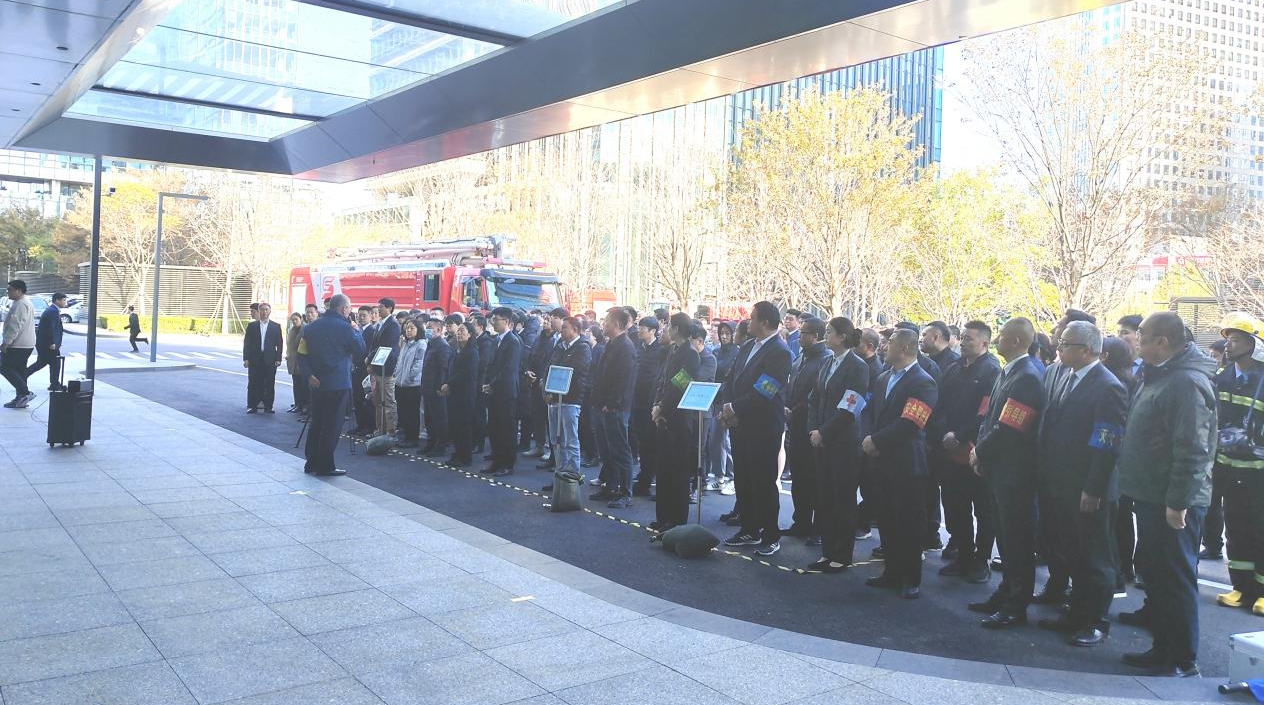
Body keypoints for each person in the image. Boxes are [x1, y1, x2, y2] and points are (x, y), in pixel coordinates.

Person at [1118, 312, 1216, 677]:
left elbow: (1193, 448)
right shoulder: (1162, 375)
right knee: (1158, 574)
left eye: (1142, 335)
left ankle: (1180, 657)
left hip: (1172, 501)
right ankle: (1163, 647)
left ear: (1162, 341)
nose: (1135, 341)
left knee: (1175, 578)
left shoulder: (1186, 382)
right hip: (1152, 493)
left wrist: (1178, 502)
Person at [1034, 321, 1128, 647]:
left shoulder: (1108, 386)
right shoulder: (1063, 374)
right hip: (1060, 483)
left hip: (1088, 487)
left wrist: (1093, 489)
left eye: (1065, 344)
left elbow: (1107, 443)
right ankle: (1075, 612)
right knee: (1071, 551)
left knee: (1095, 557)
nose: (1058, 348)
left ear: (1086, 350)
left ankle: (1095, 620)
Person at [969, 317, 1044, 629]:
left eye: (1001, 336)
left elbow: (1011, 427)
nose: (997, 340)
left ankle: (1016, 605)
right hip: (999, 467)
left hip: (1015, 472)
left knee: (1017, 540)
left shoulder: (1027, 377)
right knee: (1005, 534)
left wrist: (980, 451)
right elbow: (991, 418)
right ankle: (1005, 592)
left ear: (1015, 341)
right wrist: (981, 450)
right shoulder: (1009, 371)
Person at [862, 328, 937, 599]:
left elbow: (911, 423)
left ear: (905, 347)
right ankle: (891, 571)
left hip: (906, 463)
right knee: (886, 518)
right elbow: (869, 411)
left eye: (890, 342)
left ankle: (910, 577)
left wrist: (876, 441)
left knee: (909, 522)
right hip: (880, 460)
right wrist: (867, 437)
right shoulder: (883, 377)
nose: (884, 346)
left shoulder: (923, 382)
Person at [720, 301, 792, 556]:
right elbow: (731, 378)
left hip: (763, 427)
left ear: (765, 322)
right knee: (743, 478)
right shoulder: (749, 346)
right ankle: (749, 528)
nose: (748, 322)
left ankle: (770, 535)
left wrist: (734, 408)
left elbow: (765, 390)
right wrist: (728, 408)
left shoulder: (780, 352)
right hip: (740, 424)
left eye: (752, 318)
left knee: (763, 482)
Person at [932, 320, 1001, 584]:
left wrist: (960, 436)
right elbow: (938, 404)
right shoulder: (954, 368)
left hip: (975, 451)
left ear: (984, 343)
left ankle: (981, 561)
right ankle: (962, 554)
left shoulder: (991, 371)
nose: (962, 343)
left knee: (983, 510)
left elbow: (985, 414)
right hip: (949, 449)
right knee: (954, 506)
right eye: (961, 338)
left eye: (968, 339)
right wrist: (945, 433)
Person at [1209, 313, 1264, 616]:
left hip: (1259, 472)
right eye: (1228, 339)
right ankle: (1241, 588)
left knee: (1260, 529)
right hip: (1228, 466)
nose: (1228, 345)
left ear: (1255, 344)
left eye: (1236, 339)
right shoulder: (1222, 377)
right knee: (1236, 527)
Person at [805, 317, 870, 573]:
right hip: (821, 439)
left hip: (843, 442)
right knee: (825, 498)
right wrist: (813, 429)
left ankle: (842, 554)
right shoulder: (827, 362)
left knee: (843, 499)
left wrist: (824, 433)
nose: (826, 336)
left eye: (830, 332)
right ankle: (827, 551)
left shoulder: (857, 367)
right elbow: (814, 398)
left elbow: (849, 408)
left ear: (842, 336)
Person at [299, 294, 365, 476]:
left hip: (317, 382)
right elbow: (360, 350)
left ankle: (311, 462)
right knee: (332, 425)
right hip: (338, 382)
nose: (350, 311)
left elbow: (301, 354)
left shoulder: (311, 327)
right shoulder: (346, 328)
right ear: (343, 309)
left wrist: (309, 374)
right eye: (349, 307)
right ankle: (325, 465)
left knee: (317, 422)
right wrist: (356, 330)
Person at [651, 313, 702, 531]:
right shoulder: (672, 350)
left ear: (678, 328)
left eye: (669, 326)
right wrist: (657, 405)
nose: (666, 329)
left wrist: (662, 407)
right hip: (664, 415)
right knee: (663, 469)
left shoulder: (690, 354)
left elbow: (680, 385)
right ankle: (663, 516)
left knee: (678, 471)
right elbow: (663, 382)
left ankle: (676, 519)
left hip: (679, 419)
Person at [783, 317, 830, 542]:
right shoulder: (801, 357)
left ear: (816, 336)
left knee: (815, 479)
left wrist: (795, 411)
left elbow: (815, 395)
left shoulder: (825, 359)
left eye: (804, 333)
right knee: (799, 477)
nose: (800, 336)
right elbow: (791, 386)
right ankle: (801, 521)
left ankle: (819, 528)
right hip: (794, 426)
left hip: (812, 426)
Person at [1101, 335, 1140, 588]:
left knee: (1115, 521)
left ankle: (1118, 571)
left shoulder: (1113, 386)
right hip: (1124, 462)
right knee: (1122, 518)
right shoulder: (1130, 381)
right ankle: (1125, 567)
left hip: (1116, 462)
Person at [589, 307, 637, 507]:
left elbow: (623, 381)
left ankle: (625, 493)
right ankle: (610, 487)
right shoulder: (611, 344)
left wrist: (611, 404)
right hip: (602, 405)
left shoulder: (625, 347)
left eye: (607, 321)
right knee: (607, 450)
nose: (603, 324)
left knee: (620, 450)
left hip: (615, 409)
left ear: (616, 324)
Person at [920, 320, 960, 551]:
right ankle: (929, 532)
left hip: (945, 437)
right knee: (927, 487)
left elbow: (945, 404)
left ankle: (953, 539)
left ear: (936, 337)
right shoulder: (927, 362)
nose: (921, 339)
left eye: (925, 334)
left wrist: (940, 434)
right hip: (929, 434)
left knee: (950, 492)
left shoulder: (953, 364)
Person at [542, 316, 591, 480]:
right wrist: (546, 391)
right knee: (556, 441)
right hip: (553, 400)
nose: (561, 330)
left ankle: (571, 479)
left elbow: (577, 375)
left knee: (570, 441)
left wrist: (555, 391)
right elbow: (549, 367)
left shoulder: (582, 348)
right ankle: (559, 476)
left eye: (565, 327)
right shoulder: (559, 346)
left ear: (575, 330)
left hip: (570, 400)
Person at [482, 307, 522, 477]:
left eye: (496, 319)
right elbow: (491, 365)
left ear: (506, 321)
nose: (493, 322)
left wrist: (493, 384)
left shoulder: (513, 341)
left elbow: (508, 369)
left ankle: (507, 463)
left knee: (507, 429)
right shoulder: (495, 340)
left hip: (506, 392)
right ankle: (497, 461)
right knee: (494, 428)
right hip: (493, 391)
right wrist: (487, 383)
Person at [631, 316, 666, 496]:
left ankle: (647, 477)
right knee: (641, 441)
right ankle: (644, 473)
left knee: (650, 442)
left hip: (650, 402)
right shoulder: (639, 348)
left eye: (642, 328)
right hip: (636, 400)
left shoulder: (660, 350)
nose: (639, 331)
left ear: (652, 331)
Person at [706, 322, 739, 492]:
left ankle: (732, 478)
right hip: (714, 399)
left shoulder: (738, 352)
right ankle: (719, 477)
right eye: (722, 333)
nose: (724, 336)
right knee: (715, 440)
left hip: (727, 400)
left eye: (727, 333)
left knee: (726, 441)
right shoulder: (716, 351)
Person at [443, 322, 480, 466]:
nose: (459, 333)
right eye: (458, 330)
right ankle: (457, 453)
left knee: (464, 426)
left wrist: (449, 383)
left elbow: (466, 373)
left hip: (465, 394)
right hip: (453, 392)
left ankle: (465, 456)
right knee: (454, 424)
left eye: (462, 331)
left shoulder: (472, 352)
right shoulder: (455, 350)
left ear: (470, 334)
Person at [242, 302, 283, 414]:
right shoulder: (252, 326)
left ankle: (269, 406)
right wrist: (246, 358)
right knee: (254, 382)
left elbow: (279, 344)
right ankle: (252, 405)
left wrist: (278, 359)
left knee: (270, 383)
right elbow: (247, 343)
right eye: (262, 310)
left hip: (270, 359)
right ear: (259, 311)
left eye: (266, 310)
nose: (264, 312)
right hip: (255, 359)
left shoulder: (276, 326)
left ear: (270, 311)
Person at [369, 298, 401, 436]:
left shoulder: (393, 325)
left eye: (381, 306)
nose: (379, 309)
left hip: (387, 368)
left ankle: (390, 431)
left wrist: (369, 359)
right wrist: (370, 361)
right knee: (377, 401)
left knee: (388, 401)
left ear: (390, 308)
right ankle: (379, 429)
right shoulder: (380, 324)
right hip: (377, 367)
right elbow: (373, 345)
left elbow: (385, 346)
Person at [420, 317, 451, 457]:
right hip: (427, 387)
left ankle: (440, 446)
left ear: (438, 329)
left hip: (436, 389)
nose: (427, 330)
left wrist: (440, 387)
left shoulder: (442, 346)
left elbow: (444, 368)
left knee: (439, 418)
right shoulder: (431, 344)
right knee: (429, 418)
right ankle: (431, 443)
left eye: (430, 327)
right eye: (426, 327)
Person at [393, 318, 427, 449]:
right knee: (403, 412)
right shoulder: (405, 343)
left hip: (413, 384)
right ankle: (405, 436)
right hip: (400, 383)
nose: (408, 330)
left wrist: (409, 377)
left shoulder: (421, 344)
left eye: (412, 328)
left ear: (419, 330)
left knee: (412, 413)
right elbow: (399, 361)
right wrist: (396, 374)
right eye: (407, 327)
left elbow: (419, 364)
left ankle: (412, 438)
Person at [27, 292, 66, 391]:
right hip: (48, 344)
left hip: (43, 343)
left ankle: (22, 377)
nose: (65, 302)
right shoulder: (53, 311)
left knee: (42, 363)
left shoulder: (52, 310)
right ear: (57, 300)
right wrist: (53, 343)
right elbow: (51, 329)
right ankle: (54, 384)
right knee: (55, 363)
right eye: (63, 300)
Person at [471, 314, 494, 454]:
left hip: (480, 382)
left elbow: (483, 363)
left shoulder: (486, 342)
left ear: (480, 326)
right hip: (472, 382)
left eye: (473, 324)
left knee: (478, 414)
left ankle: (478, 443)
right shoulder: (474, 340)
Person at [285, 313, 309, 414]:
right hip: (293, 360)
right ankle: (297, 404)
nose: (294, 321)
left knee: (303, 385)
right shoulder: (292, 330)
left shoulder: (305, 329)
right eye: (293, 320)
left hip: (301, 360)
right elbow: (289, 346)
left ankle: (304, 405)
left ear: (301, 319)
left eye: (296, 319)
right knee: (296, 384)